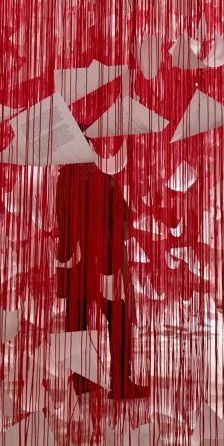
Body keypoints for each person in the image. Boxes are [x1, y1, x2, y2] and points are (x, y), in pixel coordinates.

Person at [54, 161, 149, 401]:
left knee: (76, 322)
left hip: (74, 265)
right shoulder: (102, 179)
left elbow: (61, 220)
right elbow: (123, 224)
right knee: (119, 319)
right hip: (103, 263)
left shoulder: (64, 181)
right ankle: (120, 382)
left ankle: (80, 380)